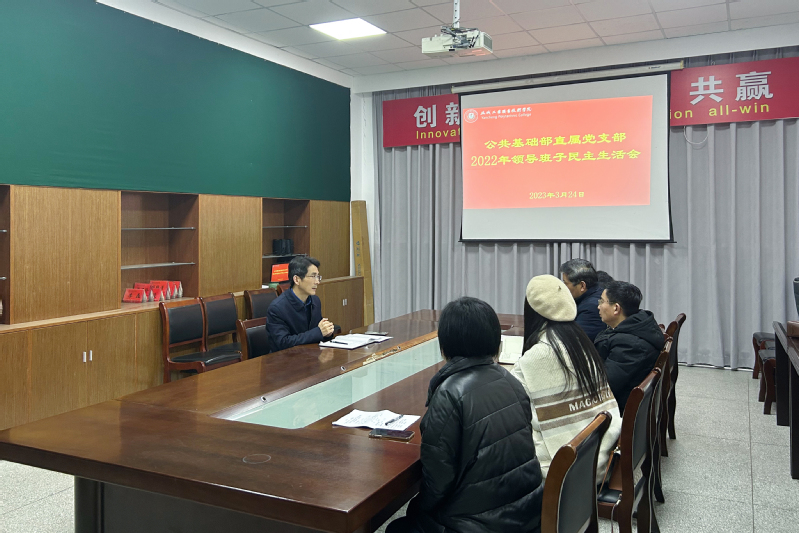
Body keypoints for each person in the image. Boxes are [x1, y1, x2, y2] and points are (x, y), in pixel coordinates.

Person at [387, 297, 543, 533]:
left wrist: (418, 508)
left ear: (445, 345)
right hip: (528, 515)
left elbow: (437, 481)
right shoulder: (511, 380)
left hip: (479, 525)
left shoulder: (449, 393)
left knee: (398, 527)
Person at [511, 275, 622, 480]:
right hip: (603, 454)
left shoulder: (535, 357)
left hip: (568, 470)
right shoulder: (581, 342)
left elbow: (512, 410)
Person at [594, 281, 665, 412]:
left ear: (616, 308)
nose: (598, 306)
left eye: (602, 302)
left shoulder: (630, 345)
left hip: (615, 409)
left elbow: (604, 387)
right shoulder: (636, 326)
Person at [266, 256, 334, 352]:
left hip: (310, 355)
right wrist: (318, 332)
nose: (317, 282)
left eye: (318, 277)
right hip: (285, 358)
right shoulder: (277, 308)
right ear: (297, 279)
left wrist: (327, 333)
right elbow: (283, 343)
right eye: (313, 276)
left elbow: (317, 332)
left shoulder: (315, 301)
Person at [559, 259, 605, 341]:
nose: (563, 287)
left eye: (566, 283)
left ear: (582, 286)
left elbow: (573, 340)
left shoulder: (591, 307)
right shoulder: (597, 291)